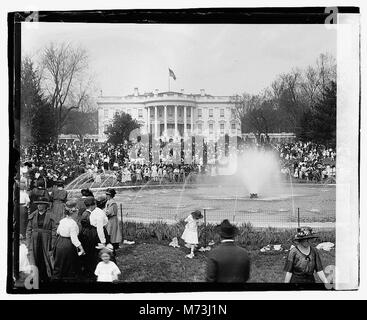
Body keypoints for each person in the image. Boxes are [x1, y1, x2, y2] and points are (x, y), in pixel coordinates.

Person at [26, 197, 56, 283]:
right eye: (38, 204)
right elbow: (28, 229)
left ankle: (46, 275)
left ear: (45, 205)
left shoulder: (50, 215)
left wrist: (52, 242)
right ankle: (35, 276)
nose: (39, 206)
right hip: (35, 240)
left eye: (41, 204)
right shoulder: (33, 215)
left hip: (46, 239)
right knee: (35, 256)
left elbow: (54, 229)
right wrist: (28, 241)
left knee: (45, 256)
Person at [52, 200, 85, 281]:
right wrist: (81, 248)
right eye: (76, 212)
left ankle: (57, 278)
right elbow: (74, 239)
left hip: (59, 243)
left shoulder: (62, 221)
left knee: (59, 262)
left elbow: (58, 232)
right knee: (70, 264)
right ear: (74, 213)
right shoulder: (73, 224)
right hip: (68, 244)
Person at [79, 197, 109, 279]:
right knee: (93, 252)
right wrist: (103, 241)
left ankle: (89, 269)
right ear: (93, 205)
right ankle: (93, 270)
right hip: (91, 234)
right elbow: (98, 228)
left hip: (86, 234)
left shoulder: (86, 213)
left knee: (89, 252)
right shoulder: (90, 213)